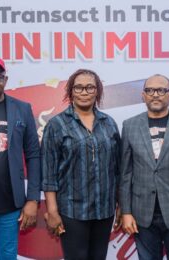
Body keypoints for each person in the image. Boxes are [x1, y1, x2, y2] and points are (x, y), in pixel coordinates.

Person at [119, 74, 169, 260]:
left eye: (161, 90)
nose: (155, 94)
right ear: (143, 95)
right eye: (150, 90)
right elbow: (125, 174)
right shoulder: (130, 126)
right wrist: (126, 212)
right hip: (142, 214)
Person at [41, 69, 121, 260]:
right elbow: (48, 173)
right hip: (72, 210)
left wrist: (120, 204)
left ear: (97, 92)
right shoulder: (56, 125)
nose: (84, 92)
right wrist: (52, 211)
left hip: (104, 210)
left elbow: (117, 170)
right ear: (71, 92)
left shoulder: (109, 123)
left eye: (90, 87)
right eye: (78, 87)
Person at [0, 55, 41, 259]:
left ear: (5, 80)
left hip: (10, 206)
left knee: (7, 256)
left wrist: (33, 199)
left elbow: (34, 155)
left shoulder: (22, 109)